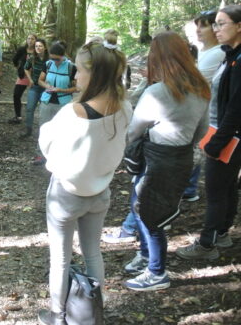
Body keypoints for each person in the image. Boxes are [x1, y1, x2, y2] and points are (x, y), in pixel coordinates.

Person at [37, 42, 132, 324]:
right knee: (93, 252)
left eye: (78, 70)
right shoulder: (125, 107)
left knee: (61, 258)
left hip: (65, 195)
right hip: (100, 193)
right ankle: (92, 313)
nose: (75, 77)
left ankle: (58, 315)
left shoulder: (73, 113)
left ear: (95, 74)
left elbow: (47, 146)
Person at [123, 31, 209, 291]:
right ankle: (147, 255)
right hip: (181, 157)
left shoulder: (157, 91)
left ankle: (157, 271)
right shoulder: (202, 88)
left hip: (158, 159)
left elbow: (133, 131)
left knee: (151, 213)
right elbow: (201, 131)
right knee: (144, 206)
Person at [176, 4, 241, 260]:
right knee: (225, 188)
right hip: (223, 132)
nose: (216, 28)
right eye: (215, 24)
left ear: (239, 26)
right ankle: (222, 234)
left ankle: (207, 245)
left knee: (215, 191)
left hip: (228, 136)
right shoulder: (231, 55)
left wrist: (218, 142)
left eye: (222, 23)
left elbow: (236, 107)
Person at [33, 41, 77, 165]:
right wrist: (47, 85)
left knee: (63, 131)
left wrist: (61, 90)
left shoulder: (71, 67)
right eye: (52, 58)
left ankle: (59, 156)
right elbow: (40, 80)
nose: (54, 61)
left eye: (57, 59)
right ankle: (40, 155)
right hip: (47, 101)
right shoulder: (47, 64)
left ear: (63, 56)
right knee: (44, 128)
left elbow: (77, 87)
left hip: (64, 103)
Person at [21, 39, 49, 137]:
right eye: (36, 46)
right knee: (29, 108)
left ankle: (44, 131)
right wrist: (30, 79)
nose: (38, 48)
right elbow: (26, 68)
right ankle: (28, 131)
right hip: (35, 87)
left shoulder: (49, 59)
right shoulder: (32, 58)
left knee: (43, 110)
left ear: (45, 47)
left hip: (46, 88)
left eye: (40, 46)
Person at [9, 34, 37, 124]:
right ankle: (18, 116)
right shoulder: (22, 49)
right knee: (16, 95)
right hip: (23, 76)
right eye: (28, 38)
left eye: (32, 39)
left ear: (36, 40)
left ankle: (36, 116)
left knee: (37, 97)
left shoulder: (38, 50)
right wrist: (19, 68)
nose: (30, 40)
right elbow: (15, 59)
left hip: (35, 77)